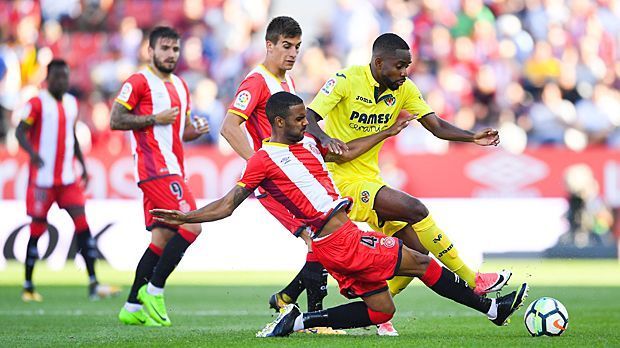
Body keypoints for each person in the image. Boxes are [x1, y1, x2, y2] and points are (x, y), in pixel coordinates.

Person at [150, 92, 529, 337]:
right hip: (341, 239)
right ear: (278, 122)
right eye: (300, 119)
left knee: (381, 311)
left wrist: (388, 132)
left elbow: (345, 151)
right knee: (419, 261)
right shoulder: (264, 159)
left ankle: (299, 321)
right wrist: (185, 217)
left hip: (336, 242)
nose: (306, 123)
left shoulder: (310, 143)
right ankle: (492, 308)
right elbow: (228, 204)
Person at [303, 33, 512, 335]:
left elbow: (436, 126)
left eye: (407, 67)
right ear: (378, 63)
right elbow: (309, 115)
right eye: (399, 66)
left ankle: (380, 310)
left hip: (370, 178)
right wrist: (323, 138)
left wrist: (472, 136)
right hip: (338, 181)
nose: (404, 73)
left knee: (418, 256)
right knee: (416, 209)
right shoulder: (346, 80)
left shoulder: (404, 90)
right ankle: (472, 279)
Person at [220, 16, 336, 333]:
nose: (292, 53)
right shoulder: (256, 81)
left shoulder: (285, 82)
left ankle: (288, 298)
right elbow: (229, 127)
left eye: (297, 47)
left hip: (292, 177)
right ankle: (315, 320)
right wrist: (258, 164)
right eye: (286, 46)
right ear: (269, 45)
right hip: (276, 182)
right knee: (319, 238)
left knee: (322, 237)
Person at [110, 26, 210, 327]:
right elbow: (116, 119)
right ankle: (153, 290)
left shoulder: (181, 85)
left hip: (173, 167)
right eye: (164, 49)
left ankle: (131, 306)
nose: (170, 54)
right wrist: (154, 118)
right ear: (149, 51)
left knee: (162, 237)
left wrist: (195, 130)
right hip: (155, 168)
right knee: (193, 225)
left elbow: (177, 132)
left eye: (175, 49)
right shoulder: (139, 81)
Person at [15, 59, 121, 302]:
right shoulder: (37, 103)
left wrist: (82, 165)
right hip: (42, 180)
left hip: (67, 178)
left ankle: (94, 283)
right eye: (57, 77)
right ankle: (28, 285)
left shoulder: (72, 104)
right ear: (47, 78)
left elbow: (71, 137)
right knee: (37, 228)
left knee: (83, 225)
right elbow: (20, 131)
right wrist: (32, 154)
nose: (62, 81)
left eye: (65, 77)